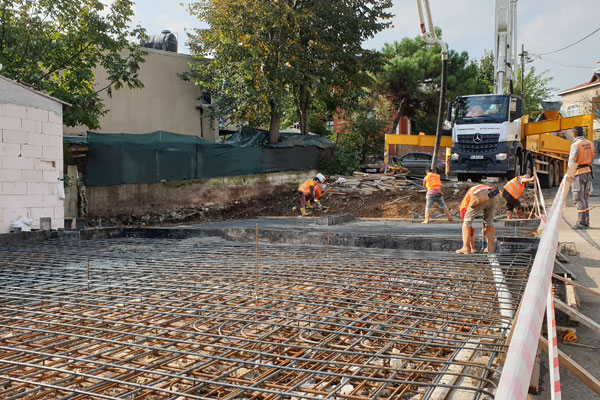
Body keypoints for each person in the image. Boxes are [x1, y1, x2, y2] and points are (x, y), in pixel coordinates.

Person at [456, 184, 500, 254]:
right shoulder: (468, 197)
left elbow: (469, 226)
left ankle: (466, 247)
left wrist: (472, 248)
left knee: (467, 221)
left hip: (479, 195)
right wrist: (484, 228)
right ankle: (491, 248)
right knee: (489, 221)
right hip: (493, 194)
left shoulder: (463, 207)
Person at [567, 126, 595, 229]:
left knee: (578, 198)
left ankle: (581, 222)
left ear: (574, 134)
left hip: (579, 173)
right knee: (585, 198)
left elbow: (572, 161)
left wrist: (568, 175)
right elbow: (592, 157)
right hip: (588, 172)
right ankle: (586, 221)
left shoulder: (575, 145)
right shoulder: (590, 143)